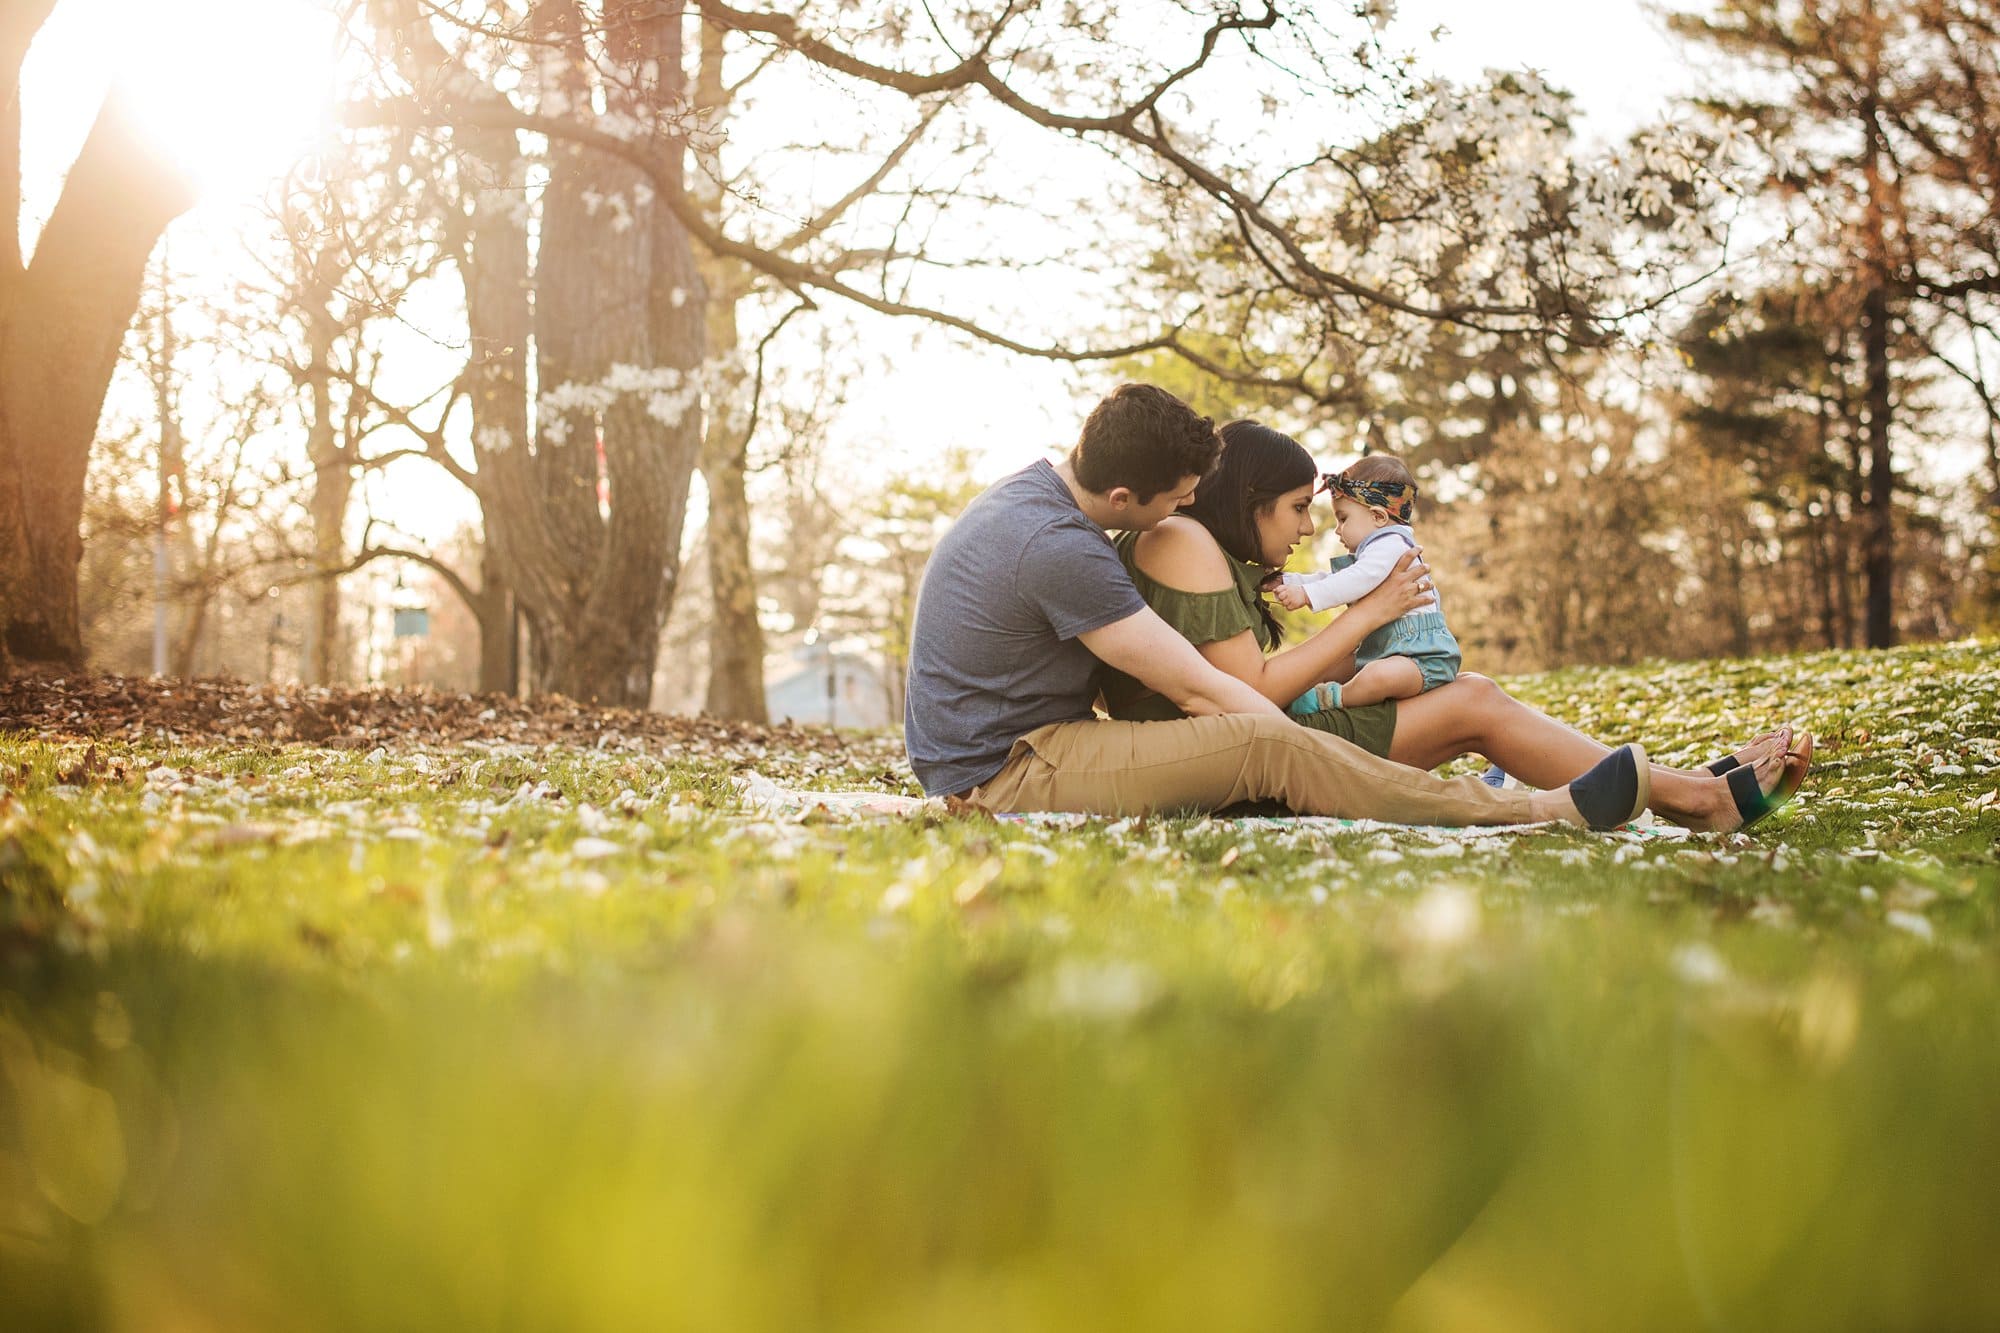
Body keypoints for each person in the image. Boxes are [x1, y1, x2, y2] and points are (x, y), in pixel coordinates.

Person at [903, 383, 1664, 830]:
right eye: (1176, 496)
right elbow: (1203, 689)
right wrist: (1307, 755)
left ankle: (1621, 792)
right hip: (1003, 771)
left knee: (1269, 738)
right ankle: (1533, 812)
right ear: (1125, 495)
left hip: (1023, 745)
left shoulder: (1040, 503)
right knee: (1266, 742)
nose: (1189, 506)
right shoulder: (1059, 545)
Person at [1095, 417, 1809, 832]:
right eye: (1294, 508)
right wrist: (1371, 612)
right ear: (1247, 501)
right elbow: (1253, 689)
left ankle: (1687, 787)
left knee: (1472, 691)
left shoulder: (1203, 549)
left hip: (1260, 740)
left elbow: (1259, 680)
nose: (1308, 527)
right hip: (1238, 759)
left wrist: (1376, 643)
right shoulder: (1182, 540)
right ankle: (1696, 798)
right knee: (1474, 703)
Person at [1267, 452, 1461, 714]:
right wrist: (1290, 581)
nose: (1337, 530)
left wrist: (1306, 594)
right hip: (1390, 649)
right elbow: (1338, 579)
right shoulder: (1373, 550)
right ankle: (1300, 693)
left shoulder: (1391, 544)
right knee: (1336, 666)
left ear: (1379, 517)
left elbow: (1357, 580)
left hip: (1422, 657)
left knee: (1377, 678)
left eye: (1343, 519)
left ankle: (1332, 699)